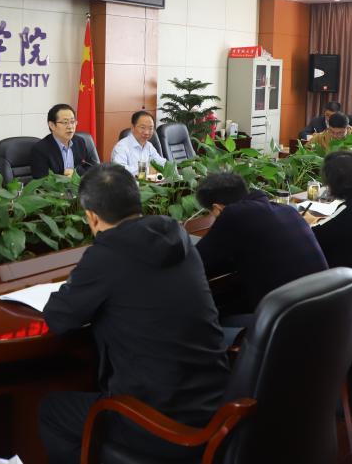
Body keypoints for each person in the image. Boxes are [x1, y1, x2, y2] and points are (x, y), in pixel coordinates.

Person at [39, 164, 229, 464]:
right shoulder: (177, 236)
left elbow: (59, 318)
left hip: (160, 422)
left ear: (91, 216)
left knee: (52, 411)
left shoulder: (106, 254)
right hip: (215, 406)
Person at [194, 172, 328, 316]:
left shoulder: (233, 214)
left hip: (287, 320)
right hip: (327, 311)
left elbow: (196, 261)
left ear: (217, 208)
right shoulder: (289, 210)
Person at [31, 103, 96, 178]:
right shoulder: (40, 149)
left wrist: (75, 173)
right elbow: (41, 179)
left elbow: (91, 168)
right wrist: (64, 178)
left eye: (72, 122)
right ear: (52, 125)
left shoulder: (79, 142)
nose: (70, 127)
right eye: (65, 122)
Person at [111, 110, 166, 176]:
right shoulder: (121, 147)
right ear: (132, 127)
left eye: (150, 128)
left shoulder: (149, 146)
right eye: (143, 127)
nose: (147, 132)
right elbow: (120, 171)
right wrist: (148, 170)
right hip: (128, 182)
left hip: (148, 181)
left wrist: (169, 166)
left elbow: (161, 163)